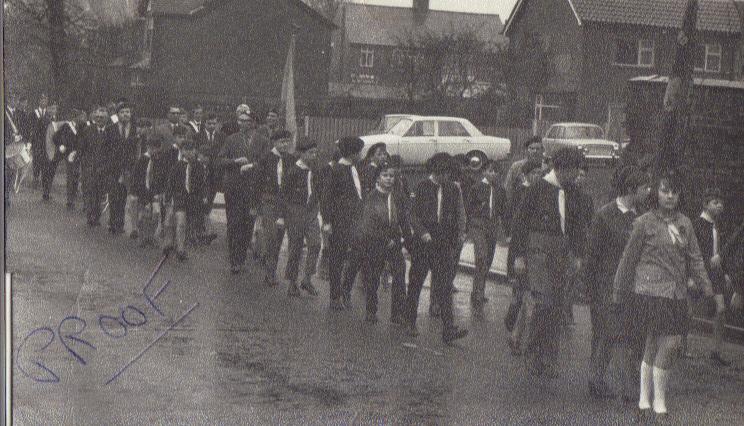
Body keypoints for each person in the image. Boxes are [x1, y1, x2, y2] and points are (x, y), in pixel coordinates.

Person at [613, 174, 722, 420]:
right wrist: (618, 292)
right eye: (665, 191)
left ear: (680, 195)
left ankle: (644, 402)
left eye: (674, 192)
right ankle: (657, 401)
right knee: (669, 342)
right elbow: (628, 259)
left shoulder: (685, 224)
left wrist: (708, 290)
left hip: (675, 293)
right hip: (649, 292)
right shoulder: (643, 223)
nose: (670, 196)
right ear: (657, 194)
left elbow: (695, 259)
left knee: (657, 343)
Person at [511, 147, 586, 378]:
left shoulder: (573, 192)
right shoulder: (537, 189)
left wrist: (578, 255)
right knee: (542, 303)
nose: (576, 176)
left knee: (557, 307)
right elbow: (520, 224)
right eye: (573, 171)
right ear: (562, 169)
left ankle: (549, 358)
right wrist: (518, 256)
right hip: (538, 253)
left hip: (562, 253)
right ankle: (532, 353)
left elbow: (577, 227)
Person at [583, 166, 650, 400]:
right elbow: (592, 253)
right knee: (612, 332)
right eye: (645, 188)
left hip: (634, 285)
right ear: (632, 189)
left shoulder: (642, 215)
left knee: (618, 333)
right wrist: (588, 287)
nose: (648, 191)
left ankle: (597, 378)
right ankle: (626, 388)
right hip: (607, 285)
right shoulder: (605, 215)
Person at [405, 153, 469, 343]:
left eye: (448, 174)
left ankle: (448, 329)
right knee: (416, 283)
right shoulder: (422, 187)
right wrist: (422, 232)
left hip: (443, 242)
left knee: (444, 286)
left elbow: (459, 213)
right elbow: (412, 214)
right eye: (442, 173)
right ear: (434, 171)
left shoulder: (453, 189)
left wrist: (460, 234)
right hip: (424, 242)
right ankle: (410, 321)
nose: (445, 178)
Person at [357, 161, 410, 324]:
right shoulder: (371, 197)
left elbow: (403, 220)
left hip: (394, 241)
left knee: (400, 275)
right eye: (385, 175)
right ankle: (371, 310)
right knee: (373, 277)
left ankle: (397, 313)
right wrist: (385, 240)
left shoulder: (398, 197)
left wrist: (407, 240)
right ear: (378, 178)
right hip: (375, 242)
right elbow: (368, 223)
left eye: (391, 176)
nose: (389, 179)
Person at [504, 159, 545, 355]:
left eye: (540, 172)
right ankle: (525, 340)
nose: (538, 175)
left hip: (536, 251)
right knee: (524, 294)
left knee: (529, 296)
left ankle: (517, 337)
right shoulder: (521, 193)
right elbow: (515, 223)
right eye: (534, 172)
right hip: (522, 249)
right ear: (526, 175)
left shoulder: (544, 194)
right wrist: (515, 256)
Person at [320, 136, 365, 310]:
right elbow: (327, 197)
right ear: (353, 153)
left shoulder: (357, 168)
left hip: (356, 221)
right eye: (359, 151)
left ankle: (346, 289)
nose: (361, 154)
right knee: (337, 259)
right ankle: (335, 296)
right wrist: (327, 221)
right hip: (339, 221)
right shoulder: (336, 170)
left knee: (357, 255)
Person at [217, 111, 262, 273]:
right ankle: (234, 261)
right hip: (234, 188)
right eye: (240, 121)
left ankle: (241, 258)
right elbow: (221, 160)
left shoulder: (262, 141)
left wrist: (252, 166)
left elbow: (265, 163)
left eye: (247, 121)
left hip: (252, 190)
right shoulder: (231, 139)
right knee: (234, 224)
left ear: (253, 123)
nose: (243, 124)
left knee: (248, 225)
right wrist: (236, 162)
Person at [691, 188, 732, 366]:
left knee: (721, 310)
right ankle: (682, 347)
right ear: (705, 204)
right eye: (716, 203)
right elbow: (691, 254)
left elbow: (720, 254)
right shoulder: (696, 225)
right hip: (699, 273)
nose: (720, 206)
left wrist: (726, 273)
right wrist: (691, 277)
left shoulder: (717, 226)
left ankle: (716, 351)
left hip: (715, 275)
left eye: (721, 203)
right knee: (688, 310)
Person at [280, 141, 322, 297]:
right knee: (295, 248)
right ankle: (292, 282)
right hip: (296, 212)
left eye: (315, 152)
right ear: (302, 153)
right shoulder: (293, 171)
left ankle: (307, 279)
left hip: (311, 212)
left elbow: (318, 189)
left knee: (315, 244)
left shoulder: (315, 170)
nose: (314, 156)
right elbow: (284, 195)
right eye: (311, 153)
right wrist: (283, 216)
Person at [257, 130, 295, 287]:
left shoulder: (291, 159)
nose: (285, 144)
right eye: (282, 142)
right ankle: (269, 271)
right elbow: (257, 182)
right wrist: (256, 204)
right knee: (271, 236)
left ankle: (270, 268)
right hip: (268, 201)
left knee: (279, 237)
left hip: (284, 204)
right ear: (275, 142)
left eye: (287, 142)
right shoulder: (266, 158)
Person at [467, 160, 507, 307]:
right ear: (484, 172)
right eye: (490, 171)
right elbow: (469, 208)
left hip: (492, 227)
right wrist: (467, 228)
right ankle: (478, 292)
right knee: (481, 256)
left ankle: (479, 290)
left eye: (496, 171)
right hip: (478, 226)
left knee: (488, 259)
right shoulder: (477, 187)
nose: (493, 174)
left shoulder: (500, 190)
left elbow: (503, 211)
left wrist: (507, 232)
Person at [163, 137, 206, 261]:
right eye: (186, 150)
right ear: (182, 151)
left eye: (192, 150)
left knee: (188, 225)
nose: (189, 152)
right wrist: (168, 198)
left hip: (192, 200)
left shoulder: (199, 167)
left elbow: (201, 184)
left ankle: (180, 244)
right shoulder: (177, 166)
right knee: (180, 222)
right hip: (179, 198)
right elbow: (170, 183)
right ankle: (180, 249)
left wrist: (202, 198)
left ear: (195, 151)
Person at [102, 103, 138, 235]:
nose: (125, 114)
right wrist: (106, 166)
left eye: (128, 112)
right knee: (113, 196)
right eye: (122, 112)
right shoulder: (110, 129)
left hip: (128, 169)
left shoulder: (135, 129)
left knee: (123, 196)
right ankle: (112, 222)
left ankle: (120, 223)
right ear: (118, 114)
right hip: (113, 168)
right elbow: (104, 149)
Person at [43, 109, 87, 205]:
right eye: (82, 116)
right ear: (76, 117)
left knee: (73, 175)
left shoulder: (83, 127)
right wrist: (60, 145)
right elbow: (55, 137)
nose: (84, 118)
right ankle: (46, 192)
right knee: (51, 170)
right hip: (61, 151)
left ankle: (70, 199)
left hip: (72, 153)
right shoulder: (66, 126)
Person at [195, 113, 225, 243]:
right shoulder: (198, 136)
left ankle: (206, 231)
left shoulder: (222, 137)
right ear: (204, 123)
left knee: (208, 203)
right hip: (201, 173)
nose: (212, 126)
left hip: (215, 175)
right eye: (209, 123)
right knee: (200, 201)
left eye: (214, 123)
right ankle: (202, 231)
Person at [79, 106, 109, 226]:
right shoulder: (88, 130)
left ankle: (96, 216)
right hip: (90, 167)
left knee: (99, 193)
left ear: (106, 118)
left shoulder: (110, 131)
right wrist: (85, 164)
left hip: (103, 167)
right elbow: (82, 148)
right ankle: (90, 216)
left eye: (102, 117)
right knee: (90, 191)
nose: (99, 119)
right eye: (97, 117)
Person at [503, 136, 544, 205]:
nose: (535, 151)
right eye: (531, 148)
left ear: (542, 150)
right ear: (527, 150)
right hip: (520, 205)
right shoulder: (516, 166)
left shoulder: (546, 168)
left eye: (538, 149)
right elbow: (508, 187)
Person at [30, 94, 50, 186]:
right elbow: (31, 126)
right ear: (39, 101)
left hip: (46, 141)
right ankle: (35, 178)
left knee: (45, 161)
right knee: (36, 160)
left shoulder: (49, 114)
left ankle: (44, 180)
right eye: (42, 100)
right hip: (37, 141)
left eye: (45, 100)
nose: (43, 102)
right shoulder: (34, 113)